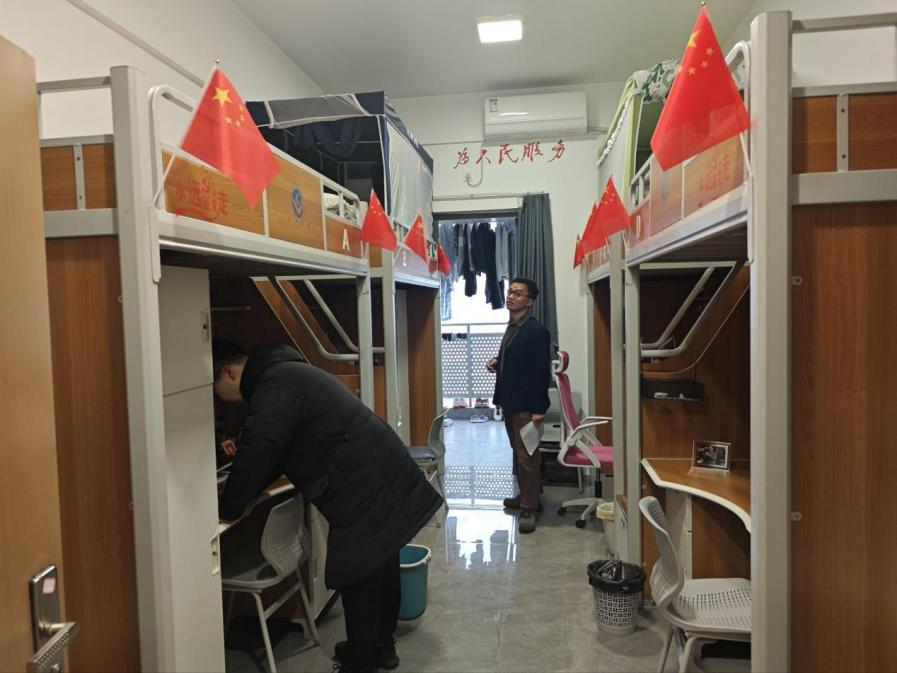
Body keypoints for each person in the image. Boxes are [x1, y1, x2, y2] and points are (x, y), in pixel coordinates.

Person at [213, 340, 443, 673]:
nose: (220, 398)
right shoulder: (289, 372)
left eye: (216, 389)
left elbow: (259, 451)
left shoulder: (274, 386)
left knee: (359, 574)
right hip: (380, 469)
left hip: (361, 483)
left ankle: (361, 662)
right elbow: (276, 449)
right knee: (381, 563)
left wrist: (228, 505)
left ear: (228, 372)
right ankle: (381, 646)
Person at [486, 277, 552, 534]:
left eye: (518, 293)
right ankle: (527, 496)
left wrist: (539, 408)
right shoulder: (514, 325)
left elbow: (541, 372)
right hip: (511, 401)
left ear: (530, 301)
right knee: (519, 453)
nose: (511, 296)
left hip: (526, 404)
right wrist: (497, 361)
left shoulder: (535, 331)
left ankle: (529, 507)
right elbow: (514, 357)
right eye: (510, 291)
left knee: (527, 457)